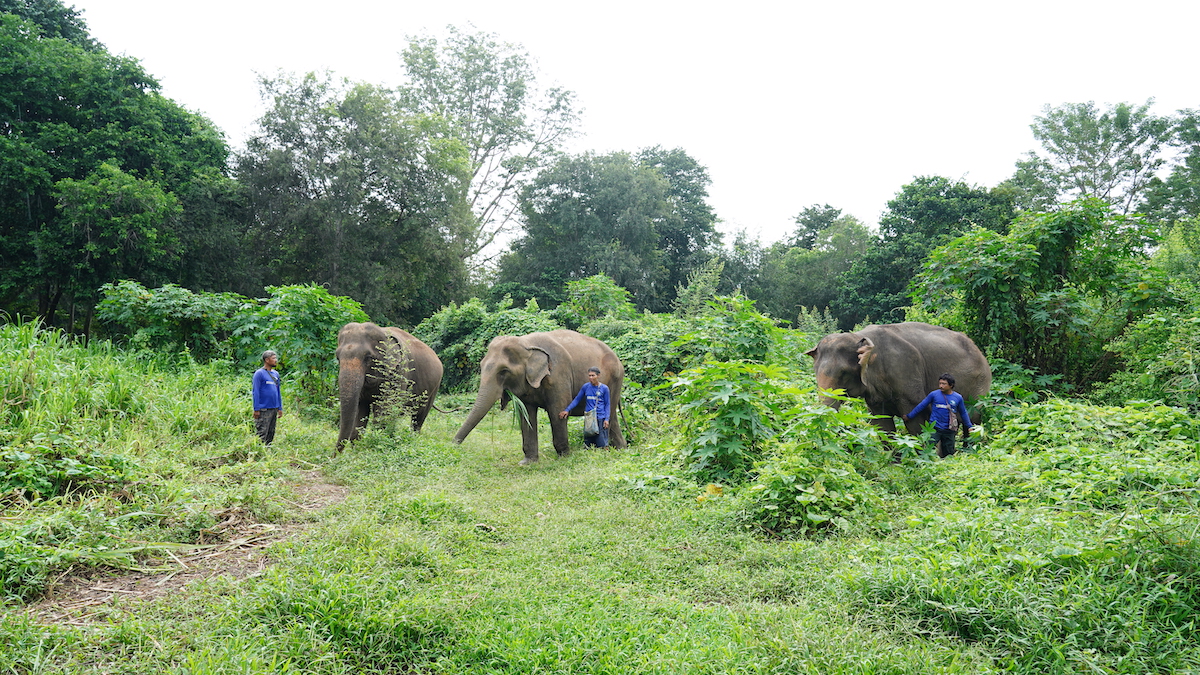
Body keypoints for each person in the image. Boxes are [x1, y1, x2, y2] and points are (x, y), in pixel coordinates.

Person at [902, 372, 974, 457]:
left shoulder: (958, 397)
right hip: (935, 428)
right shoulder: (934, 394)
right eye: (940, 383)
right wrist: (909, 416)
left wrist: (969, 426)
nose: (941, 386)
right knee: (928, 449)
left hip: (949, 429)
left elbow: (963, 413)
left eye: (944, 384)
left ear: (951, 385)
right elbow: (921, 406)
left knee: (949, 454)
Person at [558, 366, 611, 448]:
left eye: (593, 375)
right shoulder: (586, 387)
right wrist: (567, 410)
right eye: (589, 375)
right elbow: (577, 399)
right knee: (588, 444)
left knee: (602, 444)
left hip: (600, 418)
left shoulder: (604, 388)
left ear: (598, 376)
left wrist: (606, 419)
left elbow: (607, 404)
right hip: (589, 418)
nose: (591, 378)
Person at [252, 350, 282, 444]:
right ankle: (258, 450)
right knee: (262, 433)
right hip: (264, 409)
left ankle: (268, 450)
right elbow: (256, 392)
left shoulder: (276, 374)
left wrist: (280, 407)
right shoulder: (259, 373)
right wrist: (256, 409)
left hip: (274, 408)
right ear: (267, 360)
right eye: (273, 358)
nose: (276, 360)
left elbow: (278, 391)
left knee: (271, 432)